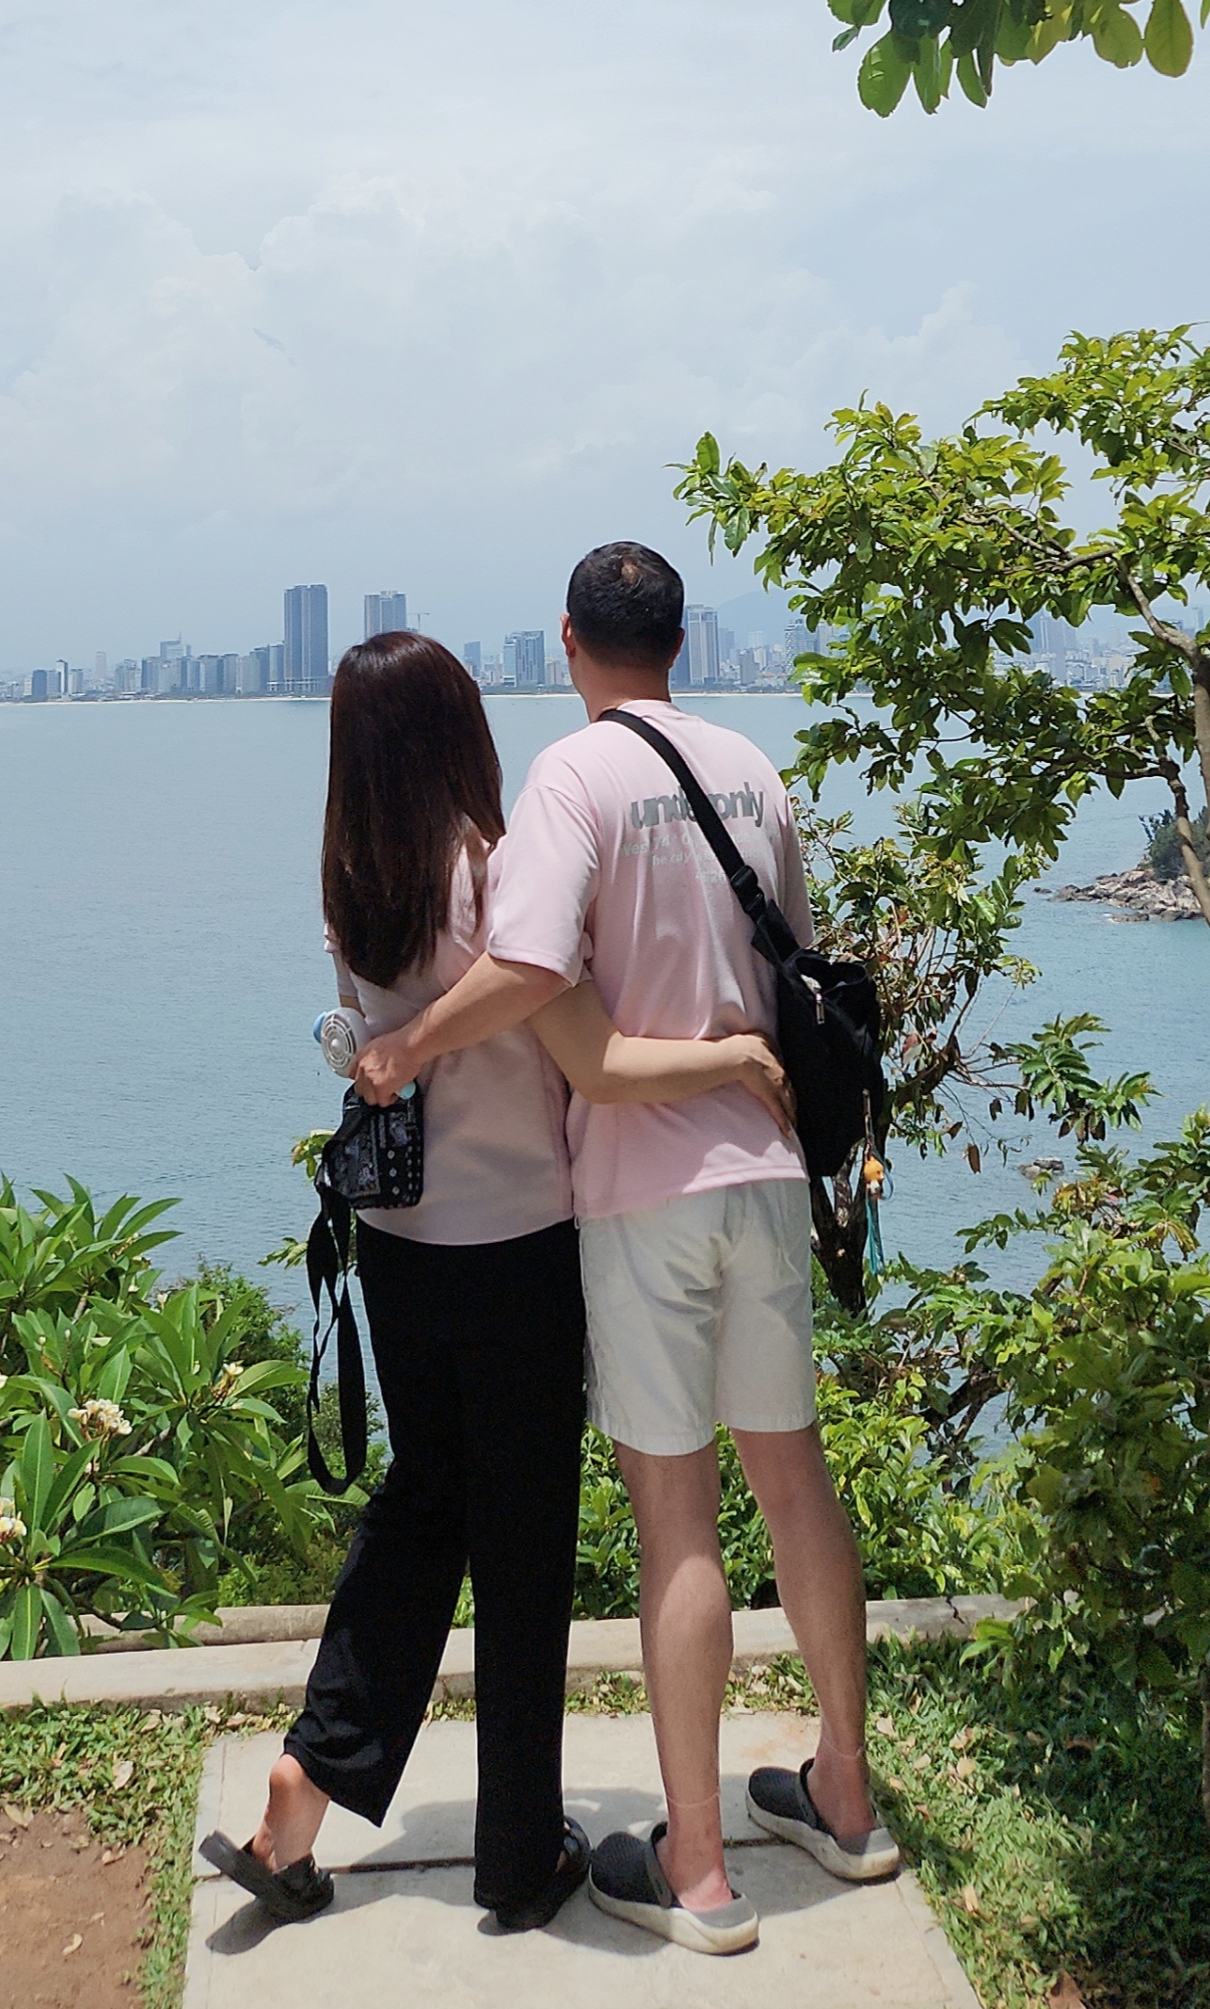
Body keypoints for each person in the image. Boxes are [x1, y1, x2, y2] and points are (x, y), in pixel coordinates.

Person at [203, 628, 797, 1939]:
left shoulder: (351, 880)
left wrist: (403, 1043)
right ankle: (519, 1852)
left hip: (401, 1244)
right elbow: (551, 1010)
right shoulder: (491, 864)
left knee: (424, 1504)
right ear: (454, 731)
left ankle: (312, 1771)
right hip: (517, 1242)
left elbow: (387, 1034)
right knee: (523, 1548)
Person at [355, 545, 900, 1958]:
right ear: (680, 637)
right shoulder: (753, 772)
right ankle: (844, 1794)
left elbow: (534, 974)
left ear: (566, 641)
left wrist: (407, 1044)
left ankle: (698, 1869)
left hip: (641, 1192)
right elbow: (787, 968)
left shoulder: (570, 779)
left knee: (678, 1522)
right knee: (795, 1479)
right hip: (764, 1169)